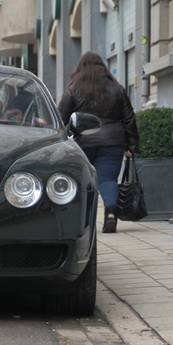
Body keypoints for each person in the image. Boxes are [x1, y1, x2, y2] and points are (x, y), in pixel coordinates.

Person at [57, 51, 139, 233]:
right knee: (107, 178)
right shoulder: (116, 88)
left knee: (80, 181)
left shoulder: (74, 88)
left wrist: (56, 140)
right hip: (113, 141)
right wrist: (132, 145)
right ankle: (110, 213)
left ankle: (80, 220)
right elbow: (129, 119)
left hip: (83, 142)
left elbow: (60, 117)